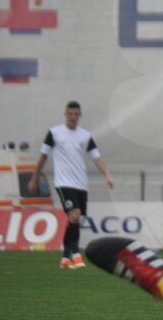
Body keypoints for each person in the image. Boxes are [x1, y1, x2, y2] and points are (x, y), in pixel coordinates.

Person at [27, 100, 114, 269]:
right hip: (63, 182)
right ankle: (76, 254)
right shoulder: (54, 133)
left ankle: (65, 258)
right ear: (65, 114)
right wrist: (34, 178)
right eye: (70, 113)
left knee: (74, 219)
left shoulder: (85, 135)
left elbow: (96, 157)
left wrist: (107, 175)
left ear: (80, 115)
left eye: (76, 114)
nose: (73, 117)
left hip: (81, 184)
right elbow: (43, 156)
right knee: (75, 215)